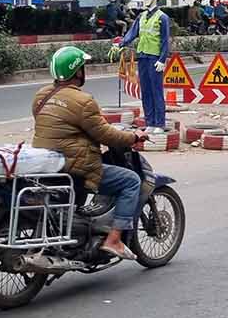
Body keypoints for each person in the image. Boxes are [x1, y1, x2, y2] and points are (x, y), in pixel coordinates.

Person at [30, 46, 147, 261]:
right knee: (130, 181)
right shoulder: (83, 101)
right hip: (74, 166)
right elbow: (106, 135)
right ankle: (113, 240)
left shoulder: (41, 95)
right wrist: (133, 137)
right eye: (82, 67)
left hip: (46, 163)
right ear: (77, 72)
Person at [117, 0, 171, 131]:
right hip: (142, 57)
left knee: (156, 92)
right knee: (146, 91)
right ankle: (150, 122)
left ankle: (159, 124)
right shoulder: (141, 17)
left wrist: (162, 59)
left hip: (155, 59)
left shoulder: (162, 17)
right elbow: (132, 33)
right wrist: (121, 44)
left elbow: (165, 40)